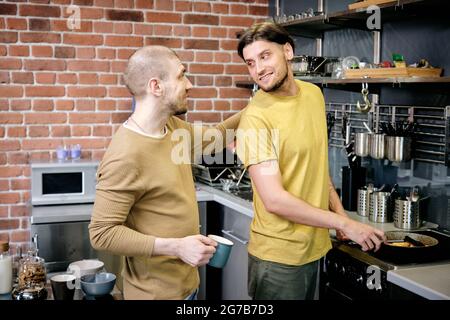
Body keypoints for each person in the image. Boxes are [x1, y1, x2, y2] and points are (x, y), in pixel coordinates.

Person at [235, 22, 386, 300]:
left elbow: (318, 169)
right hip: (279, 258)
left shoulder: (313, 95)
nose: (258, 69)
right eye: (250, 63)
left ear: (288, 51)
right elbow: (274, 200)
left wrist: (340, 217)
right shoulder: (255, 118)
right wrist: (346, 224)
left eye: (265, 56)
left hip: (315, 248)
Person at [89, 45, 242, 300]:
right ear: (156, 86)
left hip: (187, 287)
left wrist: (260, 106)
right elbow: (102, 233)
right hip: (154, 294)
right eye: (182, 75)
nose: (189, 84)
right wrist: (177, 247)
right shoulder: (126, 155)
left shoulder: (171, 127)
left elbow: (215, 137)